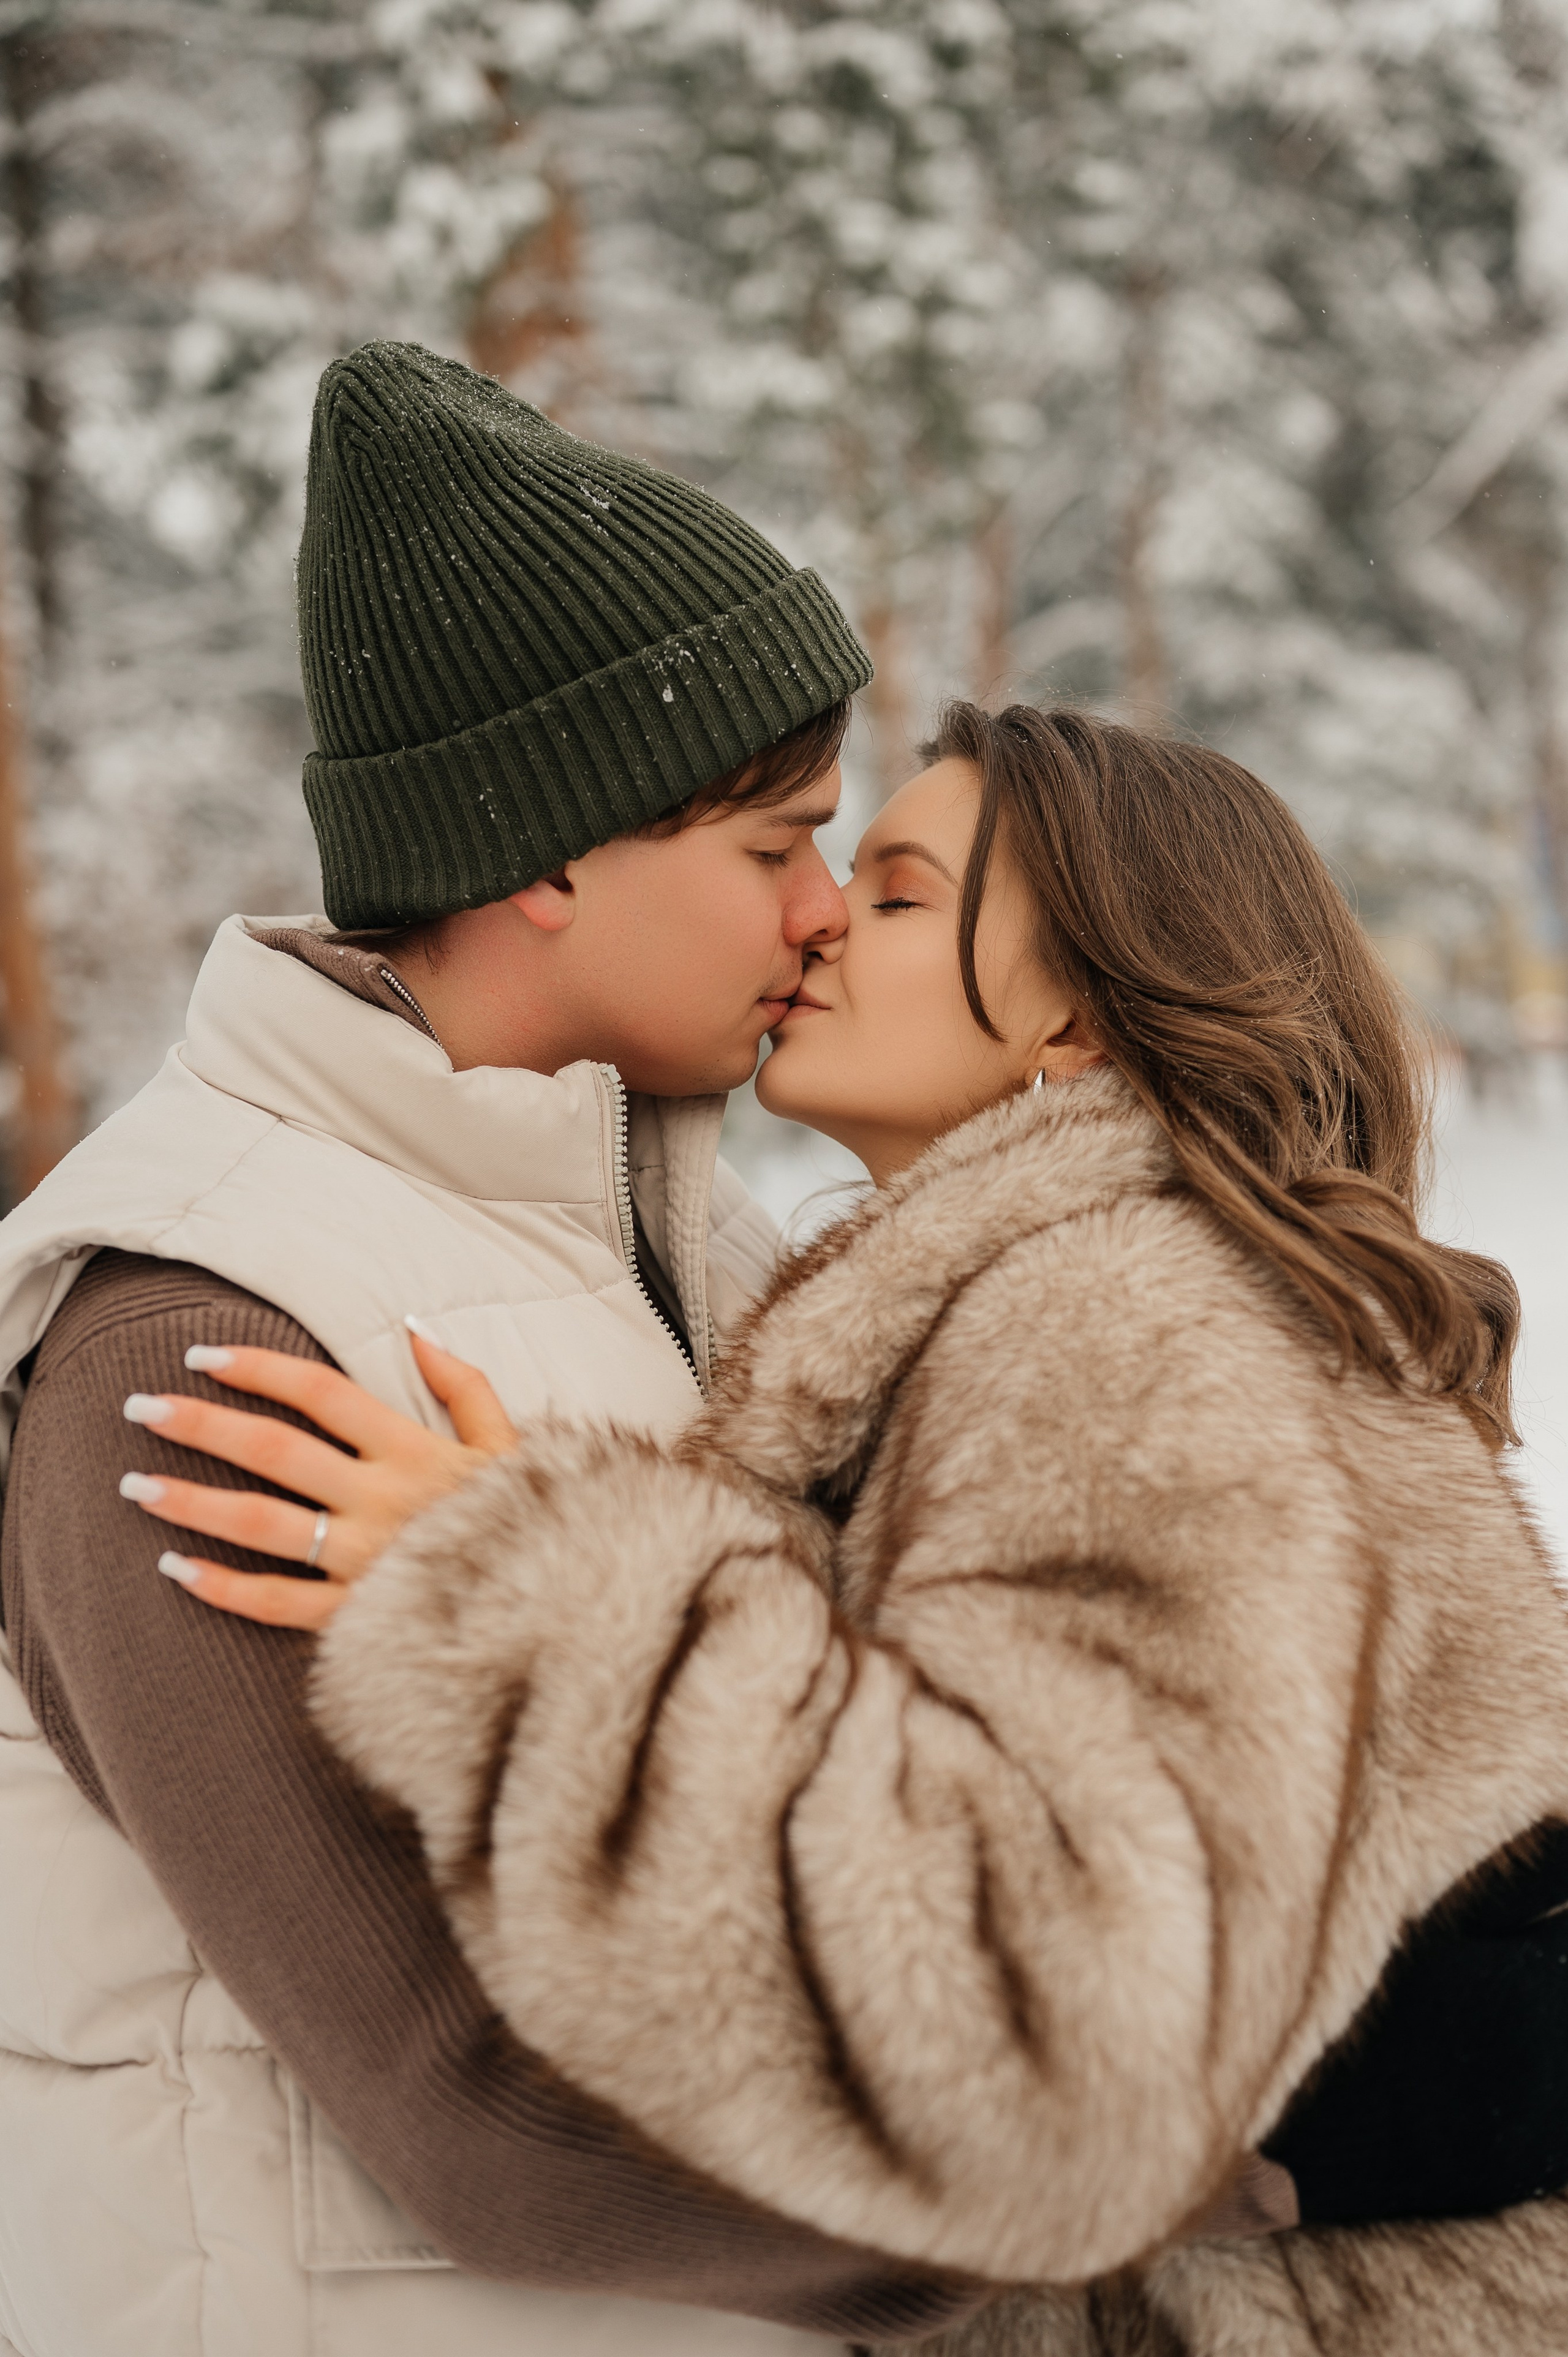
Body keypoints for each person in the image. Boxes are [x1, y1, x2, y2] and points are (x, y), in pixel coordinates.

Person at [135, 704, 1568, 2356]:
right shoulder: (1030, 1309)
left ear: (1082, 1032)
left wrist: (550, 1601)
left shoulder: (1124, 1327)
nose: (817, 916)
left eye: (892, 893)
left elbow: (1048, 2052)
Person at [0, 344, 984, 2356]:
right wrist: (1207, 2187)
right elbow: (488, 2114)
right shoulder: (198, 1334)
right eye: (771, 845)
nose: (820, 911)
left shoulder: (688, 1228)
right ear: (546, 854)